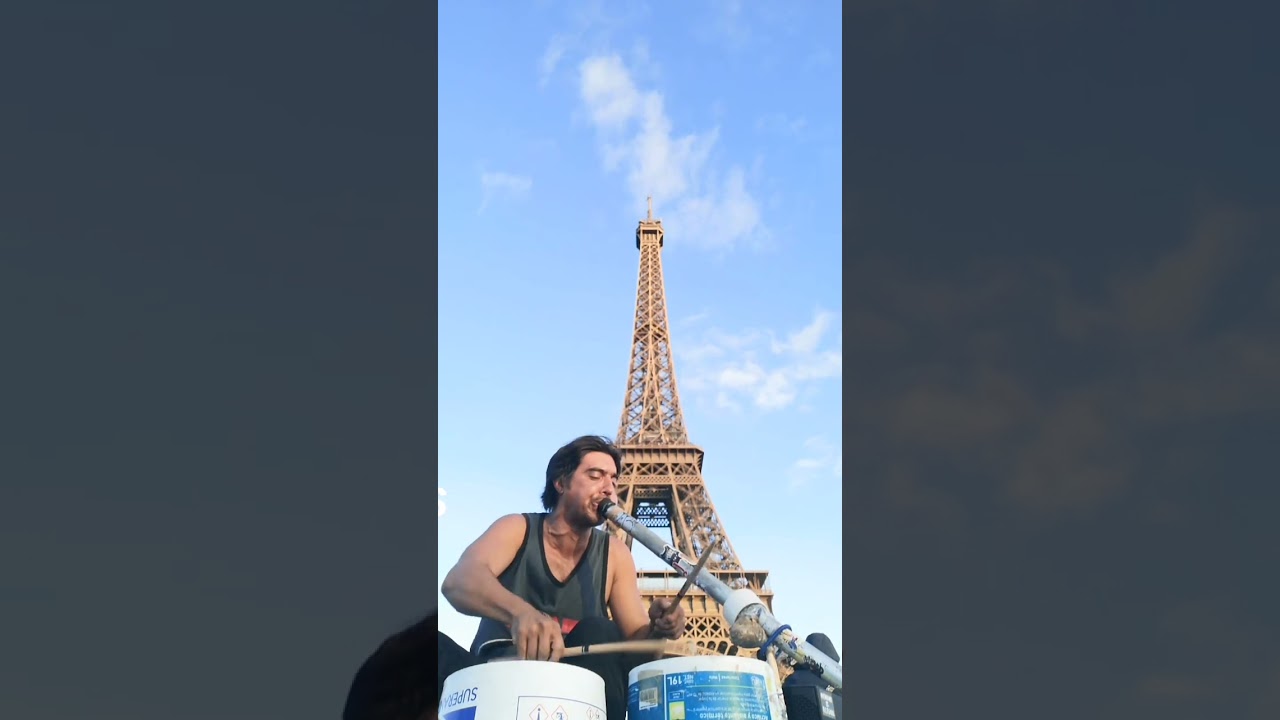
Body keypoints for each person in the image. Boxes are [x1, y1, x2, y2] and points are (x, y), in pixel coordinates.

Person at [439, 435, 687, 720]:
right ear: (561, 483)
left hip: (573, 695)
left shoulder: (614, 553)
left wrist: (658, 629)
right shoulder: (517, 528)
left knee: (601, 630)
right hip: (493, 683)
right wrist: (521, 613)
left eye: (614, 481)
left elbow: (635, 651)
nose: (608, 488)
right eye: (595, 476)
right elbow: (458, 582)